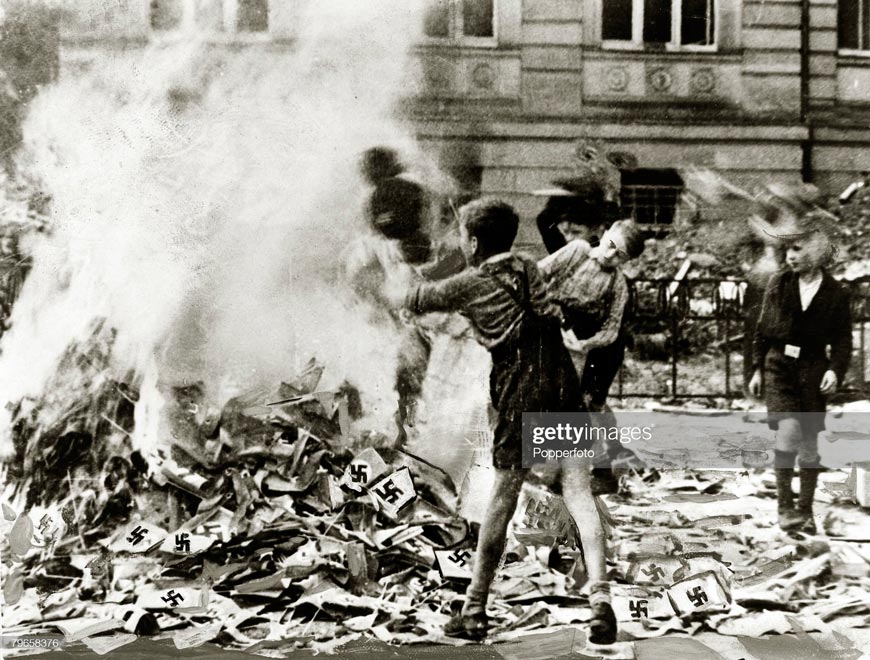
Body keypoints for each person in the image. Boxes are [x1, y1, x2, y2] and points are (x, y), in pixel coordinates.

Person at [392, 198, 618, 644]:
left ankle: (475, 609)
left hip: (522, 384)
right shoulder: (527, 265)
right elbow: (545, 300)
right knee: (577, 490)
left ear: (473, 242)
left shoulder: (472, 282)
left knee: (502, 497)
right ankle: (601, 602)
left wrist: (394, 275)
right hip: (560, 377)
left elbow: (418, 298)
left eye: (462, 235)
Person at [749, 212, 851, 534]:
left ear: (818, 251)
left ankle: (804, 510)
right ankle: (784, 506)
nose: (791, 256)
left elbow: (843, 340)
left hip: (812, 369)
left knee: (809, 443)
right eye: (788, 251)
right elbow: (762, 330)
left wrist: (835, 371)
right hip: (779, 366)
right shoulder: (779, 283)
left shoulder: (835, 293)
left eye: (798, 250)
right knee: (789, 431)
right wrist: (756, 368)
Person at [538, 218, 647, 491]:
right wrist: (550, 314)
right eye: (610, 245)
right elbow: (539, 274)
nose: (609, 255)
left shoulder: (617, 284)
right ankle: (582, 465)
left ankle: (600, 470)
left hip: (599, 347)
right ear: (605, 231)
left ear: (626, 260)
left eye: (619, 255)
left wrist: (584, 345)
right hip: (560, 330)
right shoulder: (576, 250)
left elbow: (611, 330)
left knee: (589, 405)